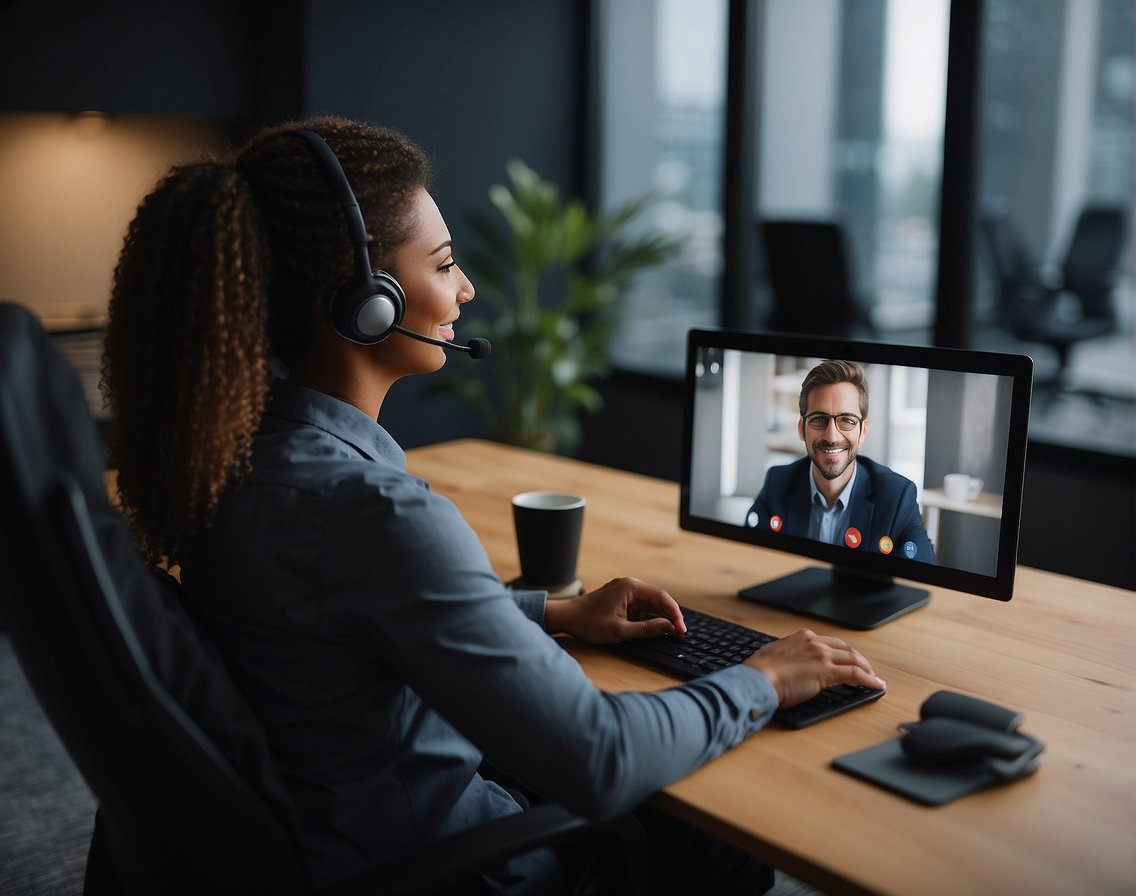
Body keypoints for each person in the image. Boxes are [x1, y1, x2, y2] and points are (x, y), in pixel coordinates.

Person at [101, 116, 885, 895]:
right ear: (364, 302)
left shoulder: (235, 462)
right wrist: (762, 679)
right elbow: (601, 757)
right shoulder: (372, 511)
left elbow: (343, 618)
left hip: (331, 830)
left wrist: (556, 613)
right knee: (715, 841)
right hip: (443, 867)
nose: (466, 288)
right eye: (444, 264)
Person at [744, 359, 936, 563]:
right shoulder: (778, 481)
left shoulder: (896, 496)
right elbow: (747, 558)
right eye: (819, 419)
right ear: (801, 428)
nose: (832, 437)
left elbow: (924, 573)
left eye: (847, 420)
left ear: (863, 431)